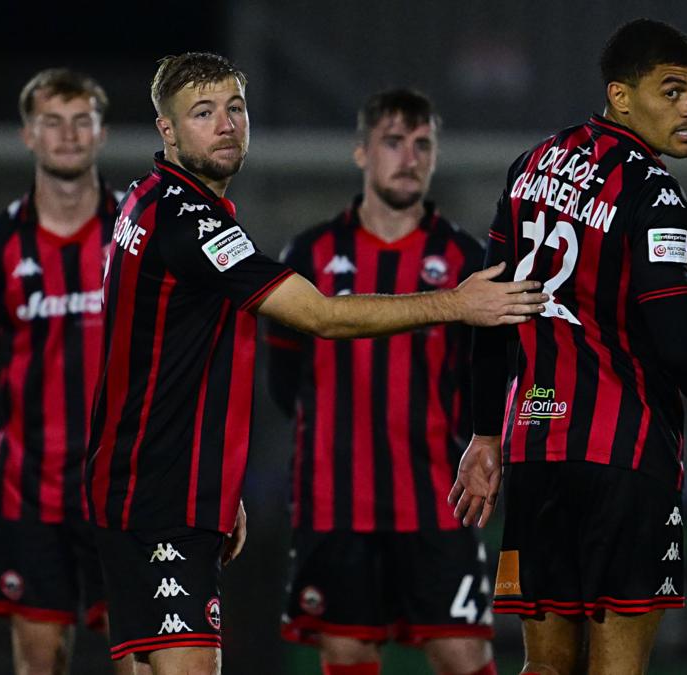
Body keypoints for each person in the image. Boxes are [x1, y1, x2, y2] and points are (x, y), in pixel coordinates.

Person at [83, 51, 545, 675]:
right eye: (203, 113)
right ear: (167, 130)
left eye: (235, 109)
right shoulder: (192, 221)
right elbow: (321, 318)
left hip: (142, 482)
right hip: (165, 494)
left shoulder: (146, 197)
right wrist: (458, 302)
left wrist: (218, 483)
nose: (226, 125)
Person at [447, 19, 687, 675]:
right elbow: (679, 340)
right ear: (621, 95)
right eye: (672, 91)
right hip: (625, 456)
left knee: (545, 665)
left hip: (538, 444)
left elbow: (486, 309)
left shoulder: (530, 168)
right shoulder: (653, 193)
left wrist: (486, 434)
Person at [268, 88, 496, 675]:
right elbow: (283, 381)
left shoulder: (465, 257)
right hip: (335, 503)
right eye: (394, 142)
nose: (410, 157)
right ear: (362, 153)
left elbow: (488, 380)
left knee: (464, 655)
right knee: (348, 653)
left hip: (437, 502)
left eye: (423, 145)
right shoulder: (311, 254)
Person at [0, 67, 146, 675]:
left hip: (127, 485)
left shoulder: (139, 234)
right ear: (28, 136)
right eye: (52, 123)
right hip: (29, 490)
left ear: (102, 133)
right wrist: (32, 418)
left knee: (139, 655)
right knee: (41, 658)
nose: (67, 136)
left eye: (80, 122)